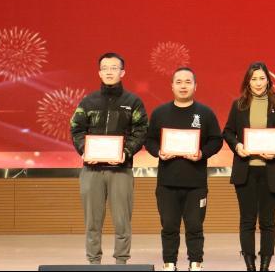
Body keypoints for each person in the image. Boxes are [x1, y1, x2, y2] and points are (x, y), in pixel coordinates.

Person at [69, 52, 149, 266]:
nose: (109, 72)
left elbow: (141, 130)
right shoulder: (88, 101)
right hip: (91, 170)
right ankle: (93, 262)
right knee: (92, 222)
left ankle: (121, 262)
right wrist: (84, 150)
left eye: (114, 68)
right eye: (105, 68)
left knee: (122, 221)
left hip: (121, 170)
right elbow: (76, 128)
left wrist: (126, 152)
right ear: (99, 73)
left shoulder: (133, 102)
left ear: (122, 72)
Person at [146, 66, 224, 272]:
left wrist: (202, 153)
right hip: (167, 183)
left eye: (188, 82)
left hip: (196, 183)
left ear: (195, 86)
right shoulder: (160, 113)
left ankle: (195, 263)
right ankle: (169, 263)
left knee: (195, 226)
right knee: (169, 226)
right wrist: (158, 152)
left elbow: (217, 140)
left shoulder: (205, 113)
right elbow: (149, 140)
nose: (183, 86)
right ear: (171, 86)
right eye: (179, 82)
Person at [223, 62, 275, 271]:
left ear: (268, 81)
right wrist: (237, 146)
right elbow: (228, 132)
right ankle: (250, 265)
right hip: (245, 170)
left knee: (267, 221)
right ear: (248, 82)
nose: (258, 83)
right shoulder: (239, 105)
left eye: (262, 78)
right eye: (253, 79)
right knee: (247, 220)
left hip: (270, 170)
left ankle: (265, 265)